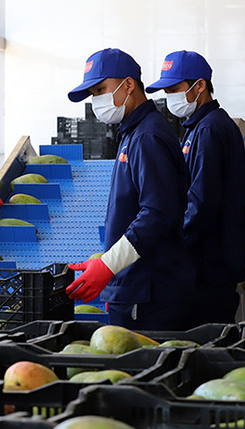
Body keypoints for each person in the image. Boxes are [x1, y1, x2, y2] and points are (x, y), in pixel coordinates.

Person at [64, 48, 193, 330]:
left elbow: (157, 213)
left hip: (149, 292)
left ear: (129, 85)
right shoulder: (132, 132)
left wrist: (110, 264)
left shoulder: (148, 136)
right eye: (93, 94)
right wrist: (108, 263)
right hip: (135, 285)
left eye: (101, 89)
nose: (97, 100)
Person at [145, 50, 245, 325]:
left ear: (200, 85)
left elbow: (201, 202)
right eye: (166, 91)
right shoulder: (199, 127)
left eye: (175, 89)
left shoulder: (210, 129)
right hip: (209, 265)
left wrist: (172, 246)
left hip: (209, 267)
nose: (170, 98)